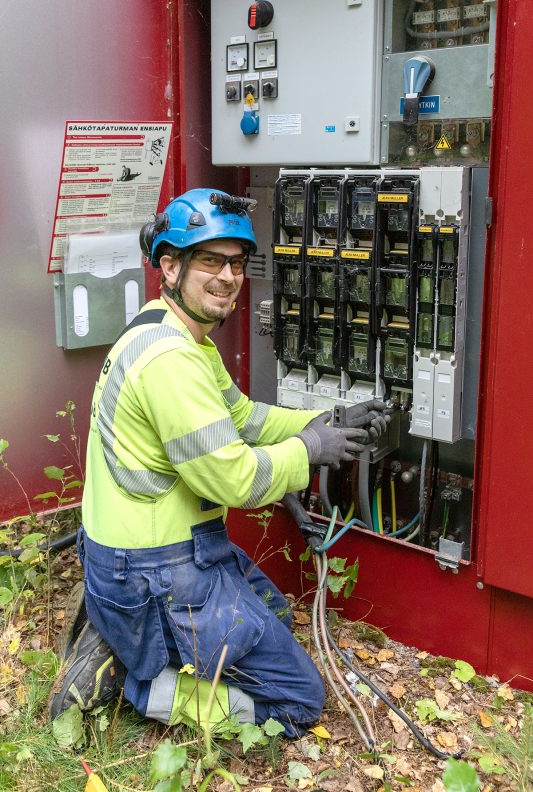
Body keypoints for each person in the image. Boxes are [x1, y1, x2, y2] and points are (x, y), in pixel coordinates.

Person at [49, 188, 389, 737]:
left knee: (276, 616)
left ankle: (129, 638)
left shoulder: (168, 332)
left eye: (236, 262)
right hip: (152, 570)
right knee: (297, 700)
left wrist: (328, 420)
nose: (228, 276)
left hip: (149, 555)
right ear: (170, 266)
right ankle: (135, 683)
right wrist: (310, 450)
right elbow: (235, 479)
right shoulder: (171, 361)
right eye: (210, 260)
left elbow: (245, 419)